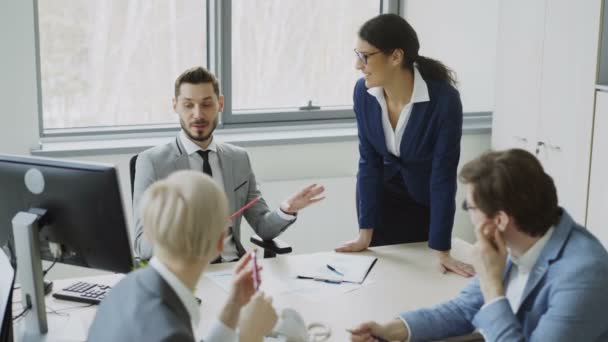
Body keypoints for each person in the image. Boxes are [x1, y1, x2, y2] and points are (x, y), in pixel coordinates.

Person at [349, 149, 608, 342]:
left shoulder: (583, 275)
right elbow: (463, 310)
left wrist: (492, 286)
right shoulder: (517, 240)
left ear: (500, 220)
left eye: (469, 207)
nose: (468, 215)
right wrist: (390, 330)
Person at [133, 66, 325, 261]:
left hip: (232, 269)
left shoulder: (238, 159)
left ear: (220, 103)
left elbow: (262, 226)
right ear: (175, 106)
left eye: (207, 104)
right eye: (188, 105)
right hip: (184, 274)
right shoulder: (152, 162)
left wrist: (287, 209)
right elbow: (142, 246)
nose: (198, 114)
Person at [335, 13, 473, 277]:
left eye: (365, 56)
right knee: (380, 277)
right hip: (381, 198)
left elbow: (443, 176)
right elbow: (369, 162)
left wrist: (443, 250)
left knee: (422, 277)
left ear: (396, 57)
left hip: (421, 200)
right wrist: (364, 234)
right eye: (357, 54)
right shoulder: (362, 93)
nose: (357, 64)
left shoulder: (444, 101)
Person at [88, 171, 278, 342]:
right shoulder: (168, 333)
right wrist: (250, 336)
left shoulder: (127, 286)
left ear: (151, 231)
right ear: (221, 241)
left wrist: (233, 306)